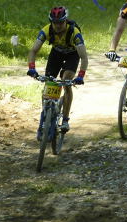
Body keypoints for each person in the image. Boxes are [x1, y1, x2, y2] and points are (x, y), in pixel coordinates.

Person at [27, 6, 88, 138]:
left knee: (66, 82)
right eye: (55, 23)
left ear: (65, 21)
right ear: (51, 22)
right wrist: (32, 68)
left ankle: (65, 119)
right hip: (56, 54)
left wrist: (80, 76)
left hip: (73, 55)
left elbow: (83, 57)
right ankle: (45, 116)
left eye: (60, 22)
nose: (58, 26)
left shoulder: (74, 33)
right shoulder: (46, 30)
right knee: (49, 82)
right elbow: (33, 50)